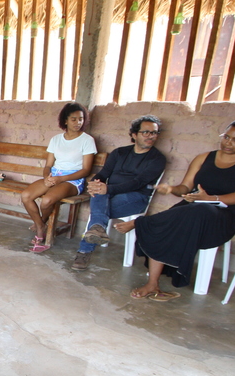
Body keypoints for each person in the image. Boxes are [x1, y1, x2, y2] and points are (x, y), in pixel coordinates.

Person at [115, 114, 235, 301]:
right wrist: (171, 189)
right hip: (190, 209)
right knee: (175, 218)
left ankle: (140, 222)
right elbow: (185, 188)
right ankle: (152, 283)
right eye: (226, 137)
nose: (228, 143)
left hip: (222, 215)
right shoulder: (204, 158)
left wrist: (210, 198)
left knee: (194, 211)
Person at [71, 115, 167, 271]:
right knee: (99, 194)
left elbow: (138, 183)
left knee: (99, 209)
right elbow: (104, 173)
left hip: (136, 197)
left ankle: (85, 248)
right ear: (134, 135)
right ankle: (96, 229)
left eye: (154, 133)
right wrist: (95, 183)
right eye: (146, 132)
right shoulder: (119, 153)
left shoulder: (157, 159)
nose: (151, 136)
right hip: (110, 193)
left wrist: (107, 189)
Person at [21, 102, 96, 253]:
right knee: (26, 195)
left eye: (81, 119)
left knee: (47, 200)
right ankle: (41, 224)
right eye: (73, 119)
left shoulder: (87, 140)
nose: (78, 123)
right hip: (54, 176)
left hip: (73, 180)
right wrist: (47, 177)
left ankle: (40, 228)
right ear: (65, 121)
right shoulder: (56, 139)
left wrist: (61, 179)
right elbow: (48, 165)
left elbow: (86, 170)